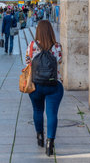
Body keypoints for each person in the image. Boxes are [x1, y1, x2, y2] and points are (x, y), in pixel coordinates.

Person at [25, 20, 63, 156]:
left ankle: (40, 136)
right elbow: (59, 61)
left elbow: (27, 62)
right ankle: (50, 143)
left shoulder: (31, 46)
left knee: (37, 110)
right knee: (52, 114)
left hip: (35, 84)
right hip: (54, 85)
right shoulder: (57, 46)